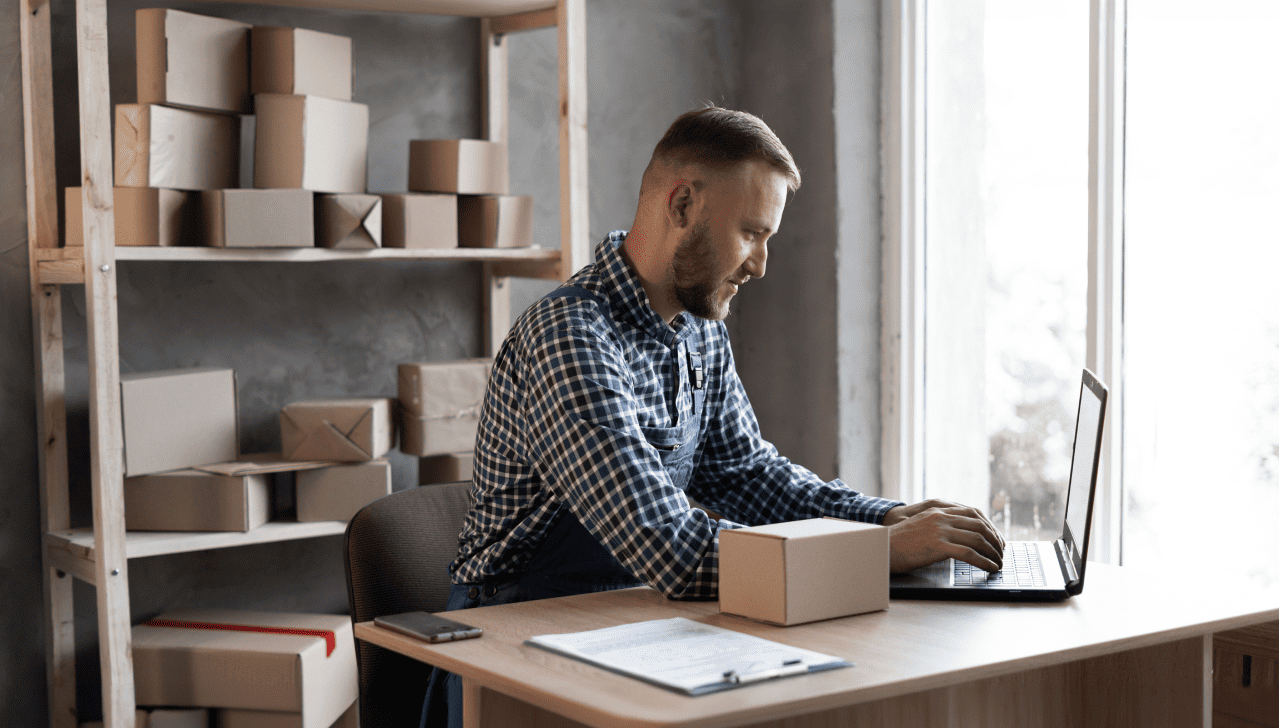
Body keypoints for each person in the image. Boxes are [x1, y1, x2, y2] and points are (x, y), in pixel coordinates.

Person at [420, 106, 1004, 728]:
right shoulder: (569, 337)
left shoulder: (698, 327)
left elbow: (748, 476)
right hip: (514, 645)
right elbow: (670, 547)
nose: (760, 264)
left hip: (629, 619)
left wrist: (888, 516)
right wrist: (877, 551)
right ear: (682, 205)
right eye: (752, 232)